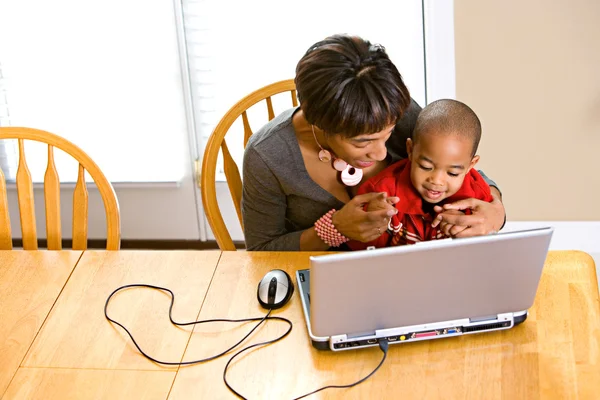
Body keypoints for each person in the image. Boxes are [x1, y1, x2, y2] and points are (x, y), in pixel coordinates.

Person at [242, 34, 505, 251]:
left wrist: (496, 210)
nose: (381, 153)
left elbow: (454, 166)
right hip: (322, 273)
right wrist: (334, 229)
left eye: (388, 134)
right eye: (363, 141)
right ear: (319, 124)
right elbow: (261, 250)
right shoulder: (267, 155)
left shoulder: (392, 111)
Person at [347, 99, 493, 250]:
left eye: (452, 173)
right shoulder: (380, 192)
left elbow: (486, 247)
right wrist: (374, 221)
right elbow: (360, 250)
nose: (436, 180)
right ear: (410, 150)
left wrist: (465, 232)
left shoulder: (477, 195)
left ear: (471, 165)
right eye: (426, 167)